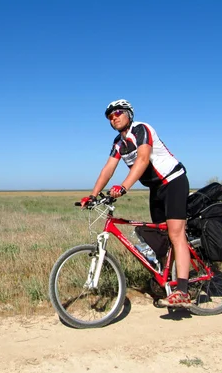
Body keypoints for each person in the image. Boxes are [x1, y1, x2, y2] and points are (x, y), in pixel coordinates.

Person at [79, 99, 192, 308]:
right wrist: (93, 195)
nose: (114, 118)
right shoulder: (118, 143)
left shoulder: (141, 129)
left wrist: (123, 187)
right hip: (156, 188)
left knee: (176, 233)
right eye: (110, 116)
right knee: (162, 236)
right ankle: (166, 279)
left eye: (118, 113)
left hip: (174, 180)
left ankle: (183, 290)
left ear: (129, 114)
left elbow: (142, 159)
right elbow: (108, 168)